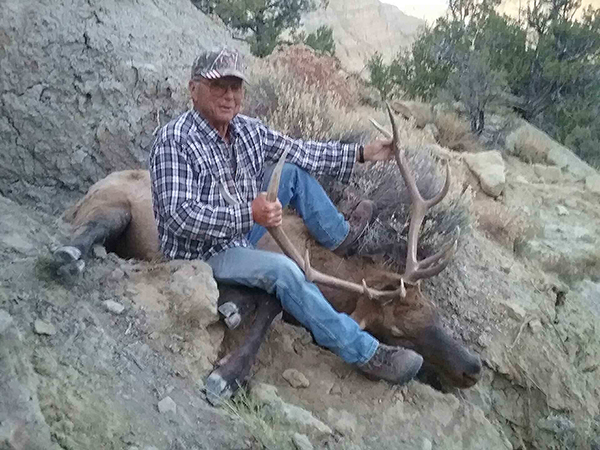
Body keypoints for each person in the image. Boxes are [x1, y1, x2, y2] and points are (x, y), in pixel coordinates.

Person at [149, 47, 423, 384]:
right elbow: (180, 216)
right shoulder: (175, 140)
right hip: (201, 252)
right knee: (284, 271)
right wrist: (248, 213)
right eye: (218, 86)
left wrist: (362, 153)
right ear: (194, 89)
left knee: (292, 172)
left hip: (238, 231)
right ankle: (366, 353)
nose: (229, 96)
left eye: (236, 87)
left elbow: (303, 151)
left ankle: (339, 237)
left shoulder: (247, 130)